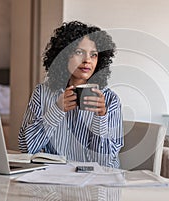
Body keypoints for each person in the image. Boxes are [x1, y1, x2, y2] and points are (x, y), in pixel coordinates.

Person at [18, 21, 123, 168]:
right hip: (52, 181)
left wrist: (101, 117)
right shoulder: (41, 93)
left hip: (93, 183)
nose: (87, 60)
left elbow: (105, 163)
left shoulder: (110, 100)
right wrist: (56, 110)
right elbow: (26, 148)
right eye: (79, 52)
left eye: (93, 55)